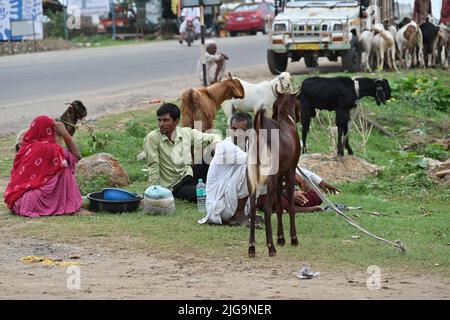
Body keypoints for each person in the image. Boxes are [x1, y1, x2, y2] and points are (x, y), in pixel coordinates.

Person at [4, 115, 83, 218]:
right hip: (34, 203)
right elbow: (77, 156)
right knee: (64, 164)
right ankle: (64, 201)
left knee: (61, 162)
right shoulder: (50, 149)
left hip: (18, 200)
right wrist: (65, 134)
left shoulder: (26, 147)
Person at [143, 103, 222, 203]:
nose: (161, 124)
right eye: (159, 120)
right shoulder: (152, 138)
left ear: (176, 122)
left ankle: (219, 182)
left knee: (214, 150)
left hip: (189, 174)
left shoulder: (186, 133)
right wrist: (152, 193)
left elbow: (214, 136)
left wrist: (216, 144)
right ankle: (214, 187)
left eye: (166, 120)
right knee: (205, 193)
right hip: (175, 186)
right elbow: (153, 166)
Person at [199, 112, 252, 226]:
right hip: (221, 207)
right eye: (233, 129)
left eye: (241, 130)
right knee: (252, 168)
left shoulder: (249, 145)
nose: (236, 133)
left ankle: (247, 213)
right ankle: (239, 215)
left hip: (232, 201)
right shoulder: (226, 147)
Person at [257, 168, 341, 213]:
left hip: (286, 193)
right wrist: (286, 193)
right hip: (263, 194)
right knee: (271, 199)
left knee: (316, 194)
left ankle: (283, 207)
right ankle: (299, 209)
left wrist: (320, 182)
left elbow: (299, 171)